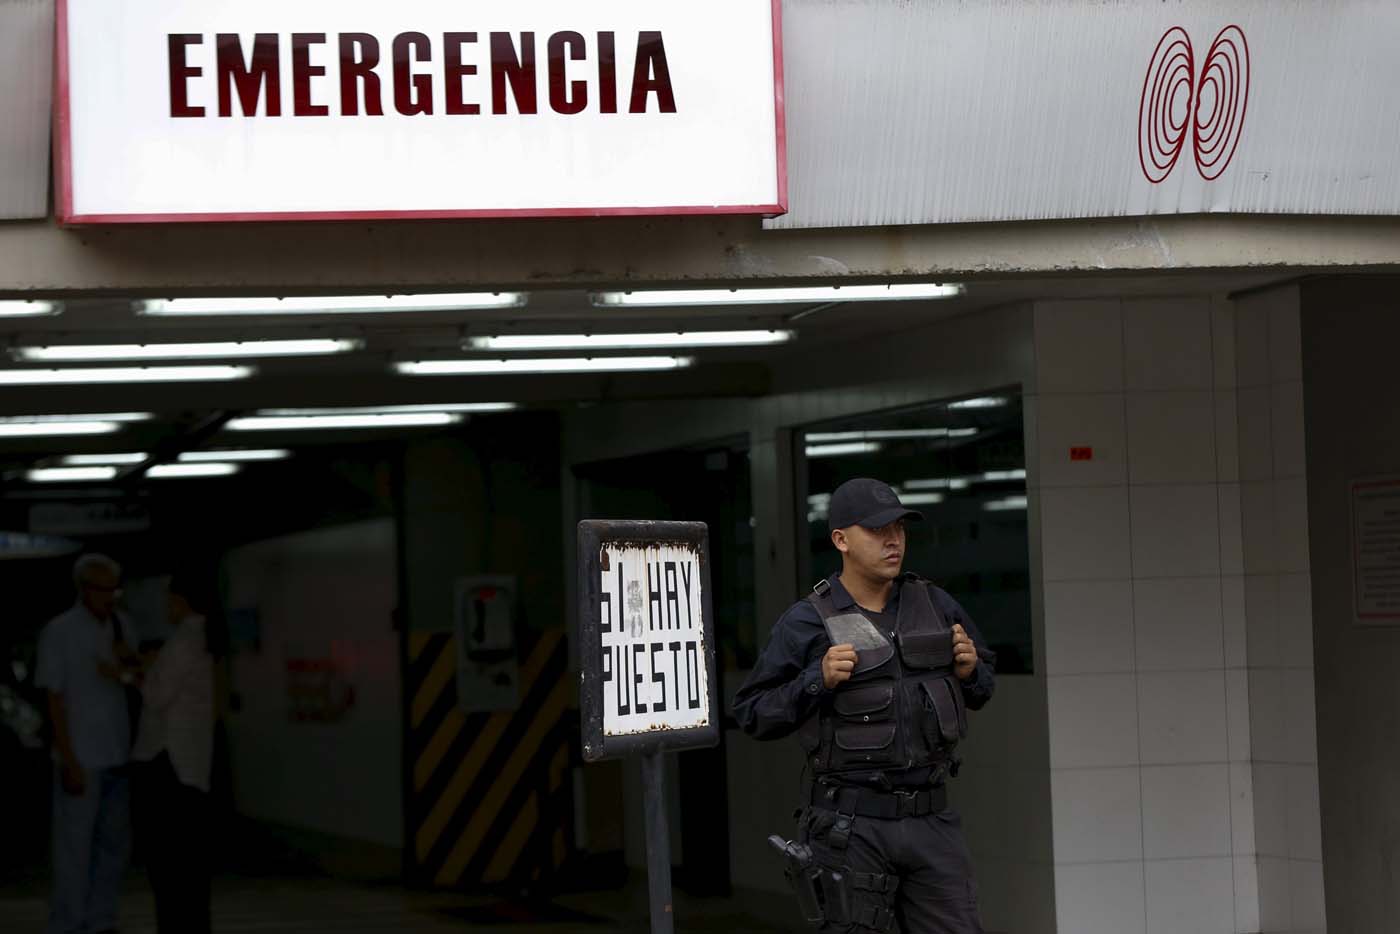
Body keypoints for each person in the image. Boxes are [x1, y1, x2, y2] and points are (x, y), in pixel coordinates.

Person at [734, 478, 996, 933]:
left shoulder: (934, 603)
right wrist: (815, 681)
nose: (893, 540)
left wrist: (972, 671)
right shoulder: (808, 619)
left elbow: (982, 687)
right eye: (877, 531)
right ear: (841, 540)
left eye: (899, 529)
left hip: (931, 821)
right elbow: (751, 712)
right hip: (851, 828)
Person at [36, 553, 138, 934]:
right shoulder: (60, 632)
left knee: (114, 844)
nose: (111, 597)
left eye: (115, 589)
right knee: (73, 846)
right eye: (103, 589)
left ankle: (100, 918)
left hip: (117, 751)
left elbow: (132, 678)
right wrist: (68, 757)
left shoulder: (122, 626)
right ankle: (68, 922)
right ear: (84, 589)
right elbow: (54, 699)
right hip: (81, 752)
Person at [131, 573, 216, 934]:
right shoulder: (202, 638)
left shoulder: (184, 641)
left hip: (170, 761)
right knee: (189, 860)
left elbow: (156, 696)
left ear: (182, 601)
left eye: (169, 601)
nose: (166, 608)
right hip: (191, 762)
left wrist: (133, 673)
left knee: (169, 861)